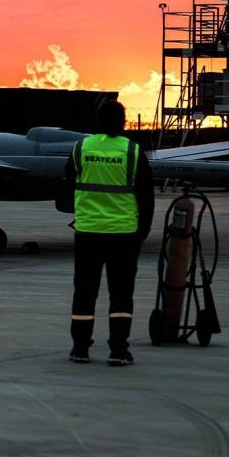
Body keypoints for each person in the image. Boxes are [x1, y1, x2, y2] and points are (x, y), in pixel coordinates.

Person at [65, 100, 154, 366]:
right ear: (123, 122)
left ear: (98, 121)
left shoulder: (81, 148)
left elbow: (69, 180)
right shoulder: (133, 152)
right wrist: (143, 231)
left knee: (84, 291)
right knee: (121, 294)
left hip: (88, 231)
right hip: (124, 234)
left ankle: (80, 348)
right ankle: (118, 349)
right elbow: (146, 197)